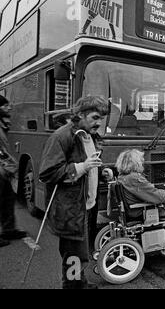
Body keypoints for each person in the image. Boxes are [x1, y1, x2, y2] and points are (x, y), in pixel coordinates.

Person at [39, 96, 109, 289]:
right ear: (80, 114)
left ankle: (79, 282)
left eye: (101, 118)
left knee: (81, 250)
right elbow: (48, 172)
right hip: (70, 208)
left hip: (86, 205)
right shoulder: (62, 136)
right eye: (95, 117)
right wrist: (81, 167)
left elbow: (90, 166)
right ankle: (72, 286)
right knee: (72, 252)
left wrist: (102, 172)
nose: (99, 123)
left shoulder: (90, 136)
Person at [0, 95, 27, 247]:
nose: (9, 108)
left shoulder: (2, 124)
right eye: (5, 106)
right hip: (1, 169)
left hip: (4, 170)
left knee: (8, 200)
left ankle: (9, 229)